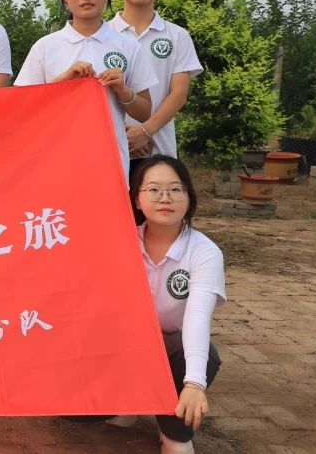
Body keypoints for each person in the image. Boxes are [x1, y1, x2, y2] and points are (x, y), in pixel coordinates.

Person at [14, 0, 157, 181]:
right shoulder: (45, 47)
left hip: (108, 162)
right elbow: (22, 108)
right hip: (53, 161)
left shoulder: (127, 46)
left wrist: (123, 91)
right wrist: (60, 83)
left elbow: (144, 111)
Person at [122, 155, 225, 454]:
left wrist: (194, 384)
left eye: (175, 189)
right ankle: (125, 403)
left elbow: (197, 317)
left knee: (203, 356)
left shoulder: (204, 252)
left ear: (189, 197)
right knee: (77, 414)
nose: (165, 198)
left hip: (170, 347)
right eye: (153, 189)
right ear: (137, 199)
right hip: (125, 346)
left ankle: (174, 433)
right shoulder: (122, 243)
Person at [111, 0, 202, 177]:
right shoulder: (103, 36)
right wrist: (124, 136)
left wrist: (145, 131)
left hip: (159, 150)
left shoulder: (177, 36)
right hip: (111, 150)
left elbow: (179, 94)